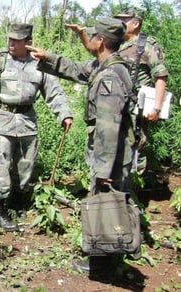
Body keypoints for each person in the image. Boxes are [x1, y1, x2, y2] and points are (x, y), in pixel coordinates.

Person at [26, 17, 136, 271]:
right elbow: (76, 70)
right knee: (108, 205)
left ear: (100, 42)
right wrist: (47, 57)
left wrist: (103, 172)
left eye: (92, 35)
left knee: (105, 204)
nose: (89, 38)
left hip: (112, 157)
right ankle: (107, 259)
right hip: (114, 155)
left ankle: (102, 265)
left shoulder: (109, 76)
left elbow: (108, 129)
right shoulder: (107, 65)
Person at [0, 23, 73, 232]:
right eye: (9, 39)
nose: (11, 43)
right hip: (1, 118)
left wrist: (64, 114)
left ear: (28, 42)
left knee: (26, 164)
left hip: (27, 120)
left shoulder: (39, 62)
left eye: (16, 41)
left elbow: (53, 92)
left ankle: (19, 202)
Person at [66, 6, 169, 174]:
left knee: (135, 145)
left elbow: (160, 76)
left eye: (123, 20)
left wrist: (156, 108)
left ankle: (133, 187)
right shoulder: (118, 43)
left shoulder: (147, 46)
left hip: (134, 106)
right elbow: (97, 51)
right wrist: (82, 34)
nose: (119, 22)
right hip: (115, 101)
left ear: (135, 23)